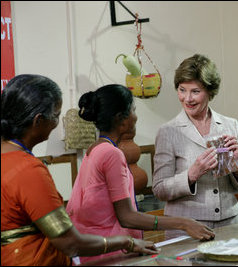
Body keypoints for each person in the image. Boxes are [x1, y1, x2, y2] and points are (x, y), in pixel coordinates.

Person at [1, 74, 158, 266]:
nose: (56, 124)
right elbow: (70, 243)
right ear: (38, 120)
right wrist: (127, 242)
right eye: (56, 116)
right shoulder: (27, 169)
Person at [66, 83, 215, 264]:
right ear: (121, 119)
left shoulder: (94, 149)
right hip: (109, 253)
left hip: (92, 251)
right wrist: (184, 223)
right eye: (133, 111)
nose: (136, 117)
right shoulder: (111, 154)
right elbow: (127, 217)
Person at [152, 54, 238, 237]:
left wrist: (236, 166)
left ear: (210, 91)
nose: (187, 98)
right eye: (182, 90)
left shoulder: (230, 125)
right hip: (186, 230)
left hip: (230, 225)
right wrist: (192, 174)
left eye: (195, 91)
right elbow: (159, 189)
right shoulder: (168, 132)